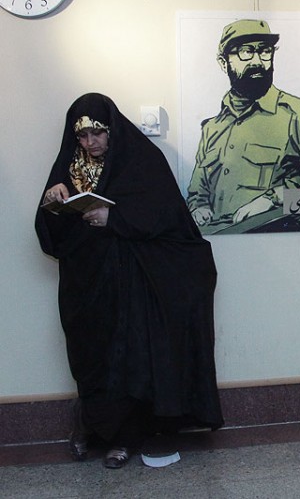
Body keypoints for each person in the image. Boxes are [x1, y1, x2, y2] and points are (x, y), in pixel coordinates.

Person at [35, 93, 224, 469]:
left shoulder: (141, 161)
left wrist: (115, 219)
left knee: (127, 358)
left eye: (97, 133)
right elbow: (51, 239)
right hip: (85, 283)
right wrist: (52, 205)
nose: (90, 142)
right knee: (92, 355)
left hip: (132, 284)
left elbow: (166, 216)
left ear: (113, 129)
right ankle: (90, 426)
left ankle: (123, 438)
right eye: (82, 135)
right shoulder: (69, 168)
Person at [187, 19, 300, 233]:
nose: (257, 61)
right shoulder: (212, 128)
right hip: (221, 244)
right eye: (245, 52)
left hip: (284, 238)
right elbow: (196, 193)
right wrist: (198, 207)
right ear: (223, 63)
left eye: (265, 51)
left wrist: (273, 200)